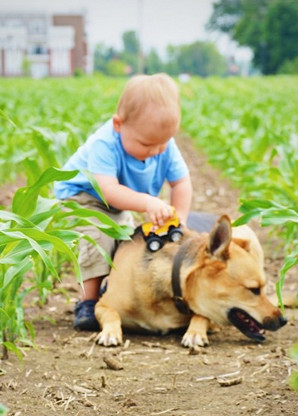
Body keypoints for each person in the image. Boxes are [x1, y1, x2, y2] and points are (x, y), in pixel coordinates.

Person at [54, 73, 192, 331]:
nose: (155, 151)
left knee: (127, 243)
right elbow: (108, 191)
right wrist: (148, 202)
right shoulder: (104, 143)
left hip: (119, 202)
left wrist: (180, 218)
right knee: (99, 240)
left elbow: (181, 182)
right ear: (118, 124)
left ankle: (112, 291)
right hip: (83, 198)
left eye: (162, 144)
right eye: (147, 144)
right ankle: (89, 302)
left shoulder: (165, 146)